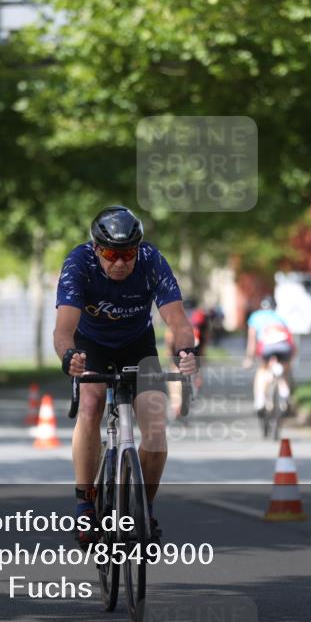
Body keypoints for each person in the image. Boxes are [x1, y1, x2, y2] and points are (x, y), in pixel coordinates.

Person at [53, 205, 198, 546]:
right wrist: (69, 356)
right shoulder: (79, 263)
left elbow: (178, 321)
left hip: (138, 346)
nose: (119, 262)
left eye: (127, 254)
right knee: (91, 404)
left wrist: (185, 352)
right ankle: (85, 503)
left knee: (156, 429)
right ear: (96, 249)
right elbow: (63, 330)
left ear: (138, 250)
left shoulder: (151, 260)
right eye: (111, 254)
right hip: (91, 346)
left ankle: (142, 510)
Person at [243, 296, 296, 417]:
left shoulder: (255, 317)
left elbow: (252, 341)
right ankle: (284, 395)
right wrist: (290, 360)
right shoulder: (280, 318)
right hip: (284, 346)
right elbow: (291, 339)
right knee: (284, 372)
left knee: (262, 370)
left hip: (266, 347)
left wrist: (249, 358)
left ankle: (260, 401)